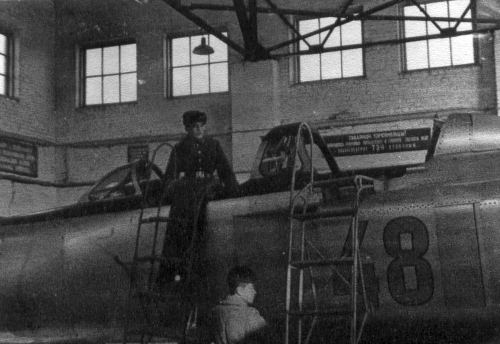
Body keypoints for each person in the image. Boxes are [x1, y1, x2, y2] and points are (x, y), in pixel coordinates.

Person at [164, 110, 238, 194]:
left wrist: (233, 188)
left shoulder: (213, 145)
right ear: (187, 128)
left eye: (202, 126)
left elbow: (225, 170)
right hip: (189, 188)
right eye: (195, 126)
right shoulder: (179, 148)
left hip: (210, 186)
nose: (199, 129)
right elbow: (170, 174)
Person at [211, 265, 268, 344]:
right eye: (251, 288)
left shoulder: (215, 311)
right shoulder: (251, 314)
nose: (255, 292)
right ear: (240, 290)